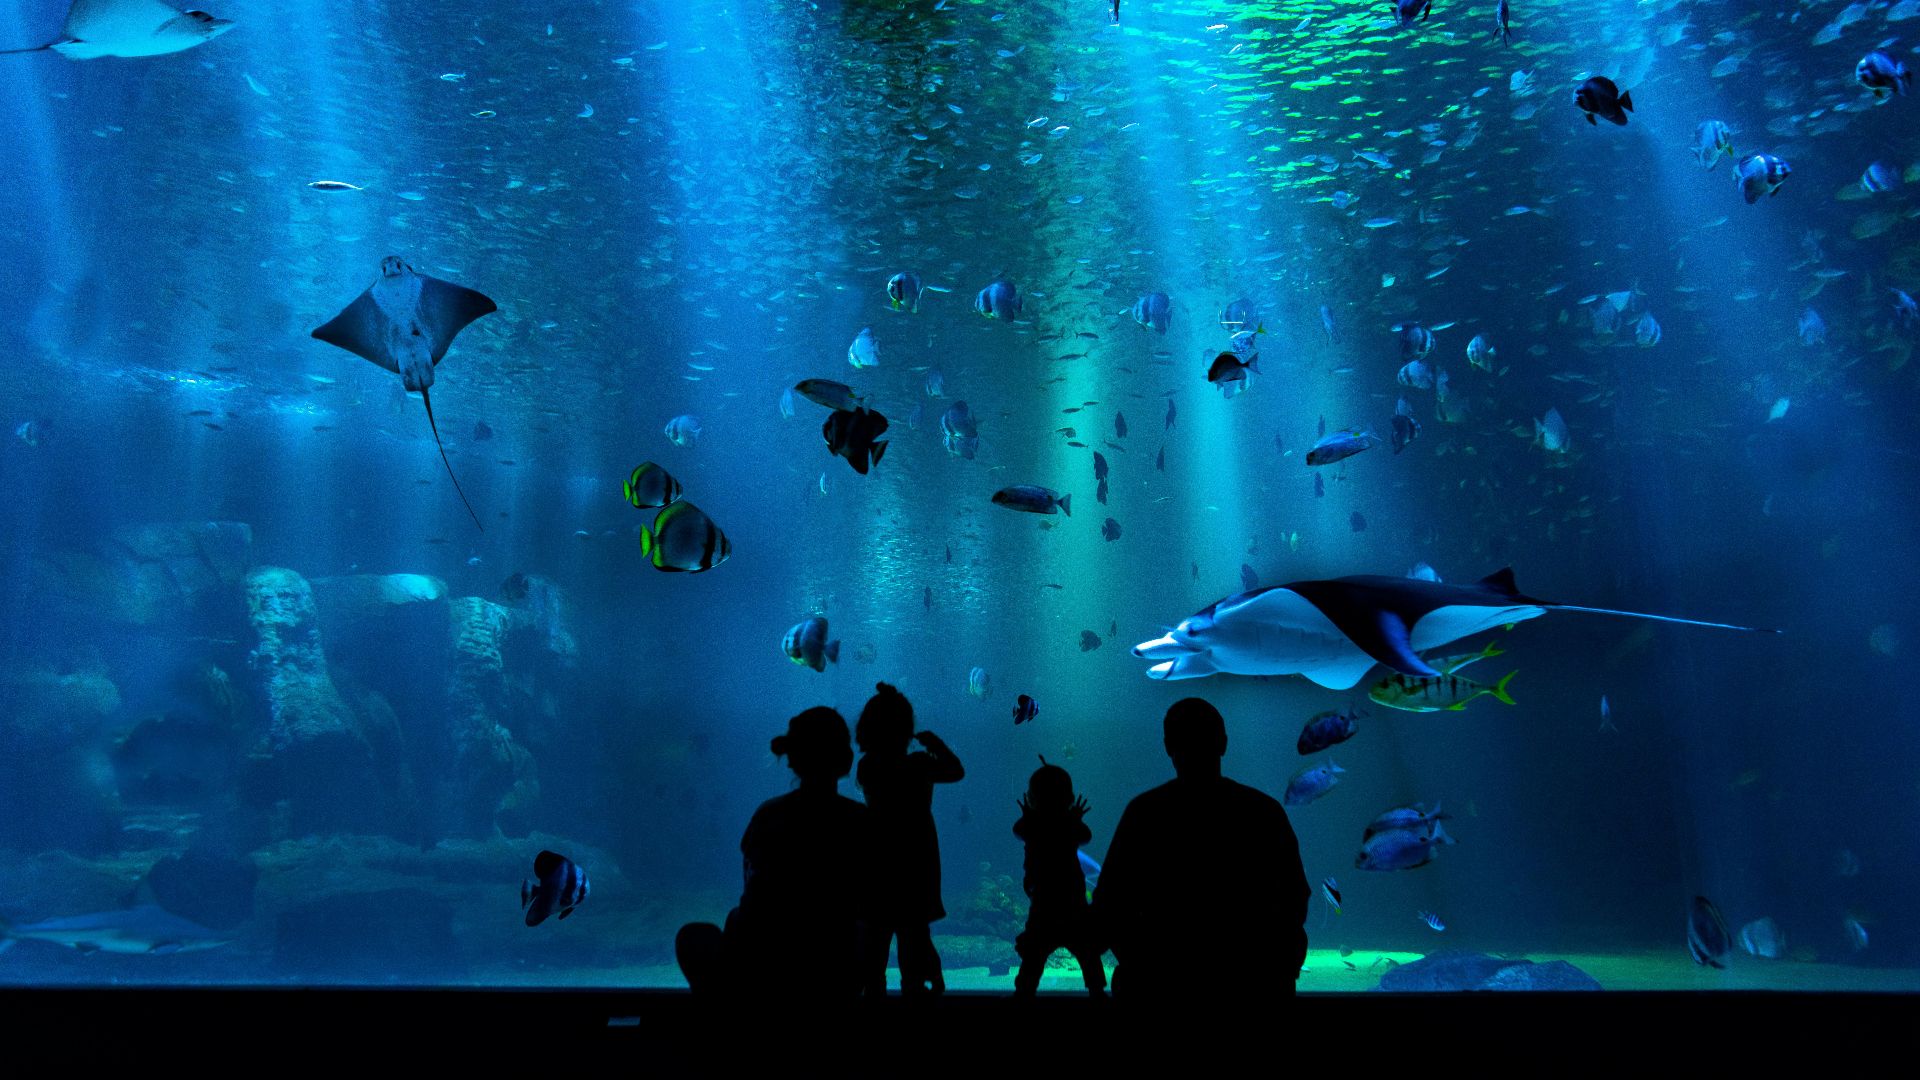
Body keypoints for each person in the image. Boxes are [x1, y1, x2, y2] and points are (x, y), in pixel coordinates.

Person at [1089, 697, 1309, 1004]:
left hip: (1157, 983)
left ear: (1168, 747)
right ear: (1223, 743)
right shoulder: (1263, 812)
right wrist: (1280, 967)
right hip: (1253, 984)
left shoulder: (1145, 813)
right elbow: (1294, 898)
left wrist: (1135, 958)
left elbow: (1110, 903)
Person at [675, 707, 870, 999]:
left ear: (792, 759)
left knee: (697, 935)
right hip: (833, 971)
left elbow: (753, 892)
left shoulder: (768, 815)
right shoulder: (859, 821)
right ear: (846, 760)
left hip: (763, 969)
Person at [854, 682, 964, 996]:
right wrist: (936, 745)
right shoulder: (919, 765)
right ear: (907, 728)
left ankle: (874, 994)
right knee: (914, 933)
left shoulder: (867, 766)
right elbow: (956, 771)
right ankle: (920, 991)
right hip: (917, 858)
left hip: (878, 858)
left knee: (875, 937)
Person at [1011, 757, 1107, 997]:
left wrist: (1029, 816)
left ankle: (1024, 993)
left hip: (1043, 905)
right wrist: (1073, 819)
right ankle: (1097, 991)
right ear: (1070, 799)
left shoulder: (1033, 827)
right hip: (1073, 904)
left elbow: (1019, 830)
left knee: (1033, 953)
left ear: (1032, 799)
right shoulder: (1070, 827)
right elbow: (1086, 836)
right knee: (1088, 951)